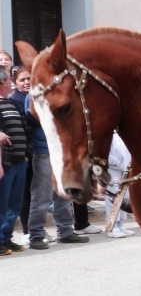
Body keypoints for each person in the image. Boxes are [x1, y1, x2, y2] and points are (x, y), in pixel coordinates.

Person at [22, 75, 89, 250]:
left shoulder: (58, 94)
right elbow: (31, 119)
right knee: (42, 195)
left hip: (61, 150)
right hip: (43, 151)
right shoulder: (33, 96)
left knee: (64, 193)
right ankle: (36, 234)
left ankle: (65, 231)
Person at [0, 84, 29, 254]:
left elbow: (25, 127)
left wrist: (26, 152)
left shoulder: (12, 103)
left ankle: (6, 238)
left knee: (15, 203)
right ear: (3, 84)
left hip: (20, 160)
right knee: (2, 203)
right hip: (5, 162)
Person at [9, 66, 32, 234]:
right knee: (25, 194)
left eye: (28, 78)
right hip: (22, 153)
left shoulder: (32, 96)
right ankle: (26, 231)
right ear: (14, 83)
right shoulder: (15, 99)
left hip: (31, 151)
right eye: (22, 80)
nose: (26, 82)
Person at [105, 132, 133, 238]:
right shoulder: (108, 134)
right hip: (113, 169)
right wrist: (116, 162)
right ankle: (112, 227)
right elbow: (106, 153)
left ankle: (121, 224)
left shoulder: (122, 133)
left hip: (125, 169)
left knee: (124, 197)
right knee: (113, 197)